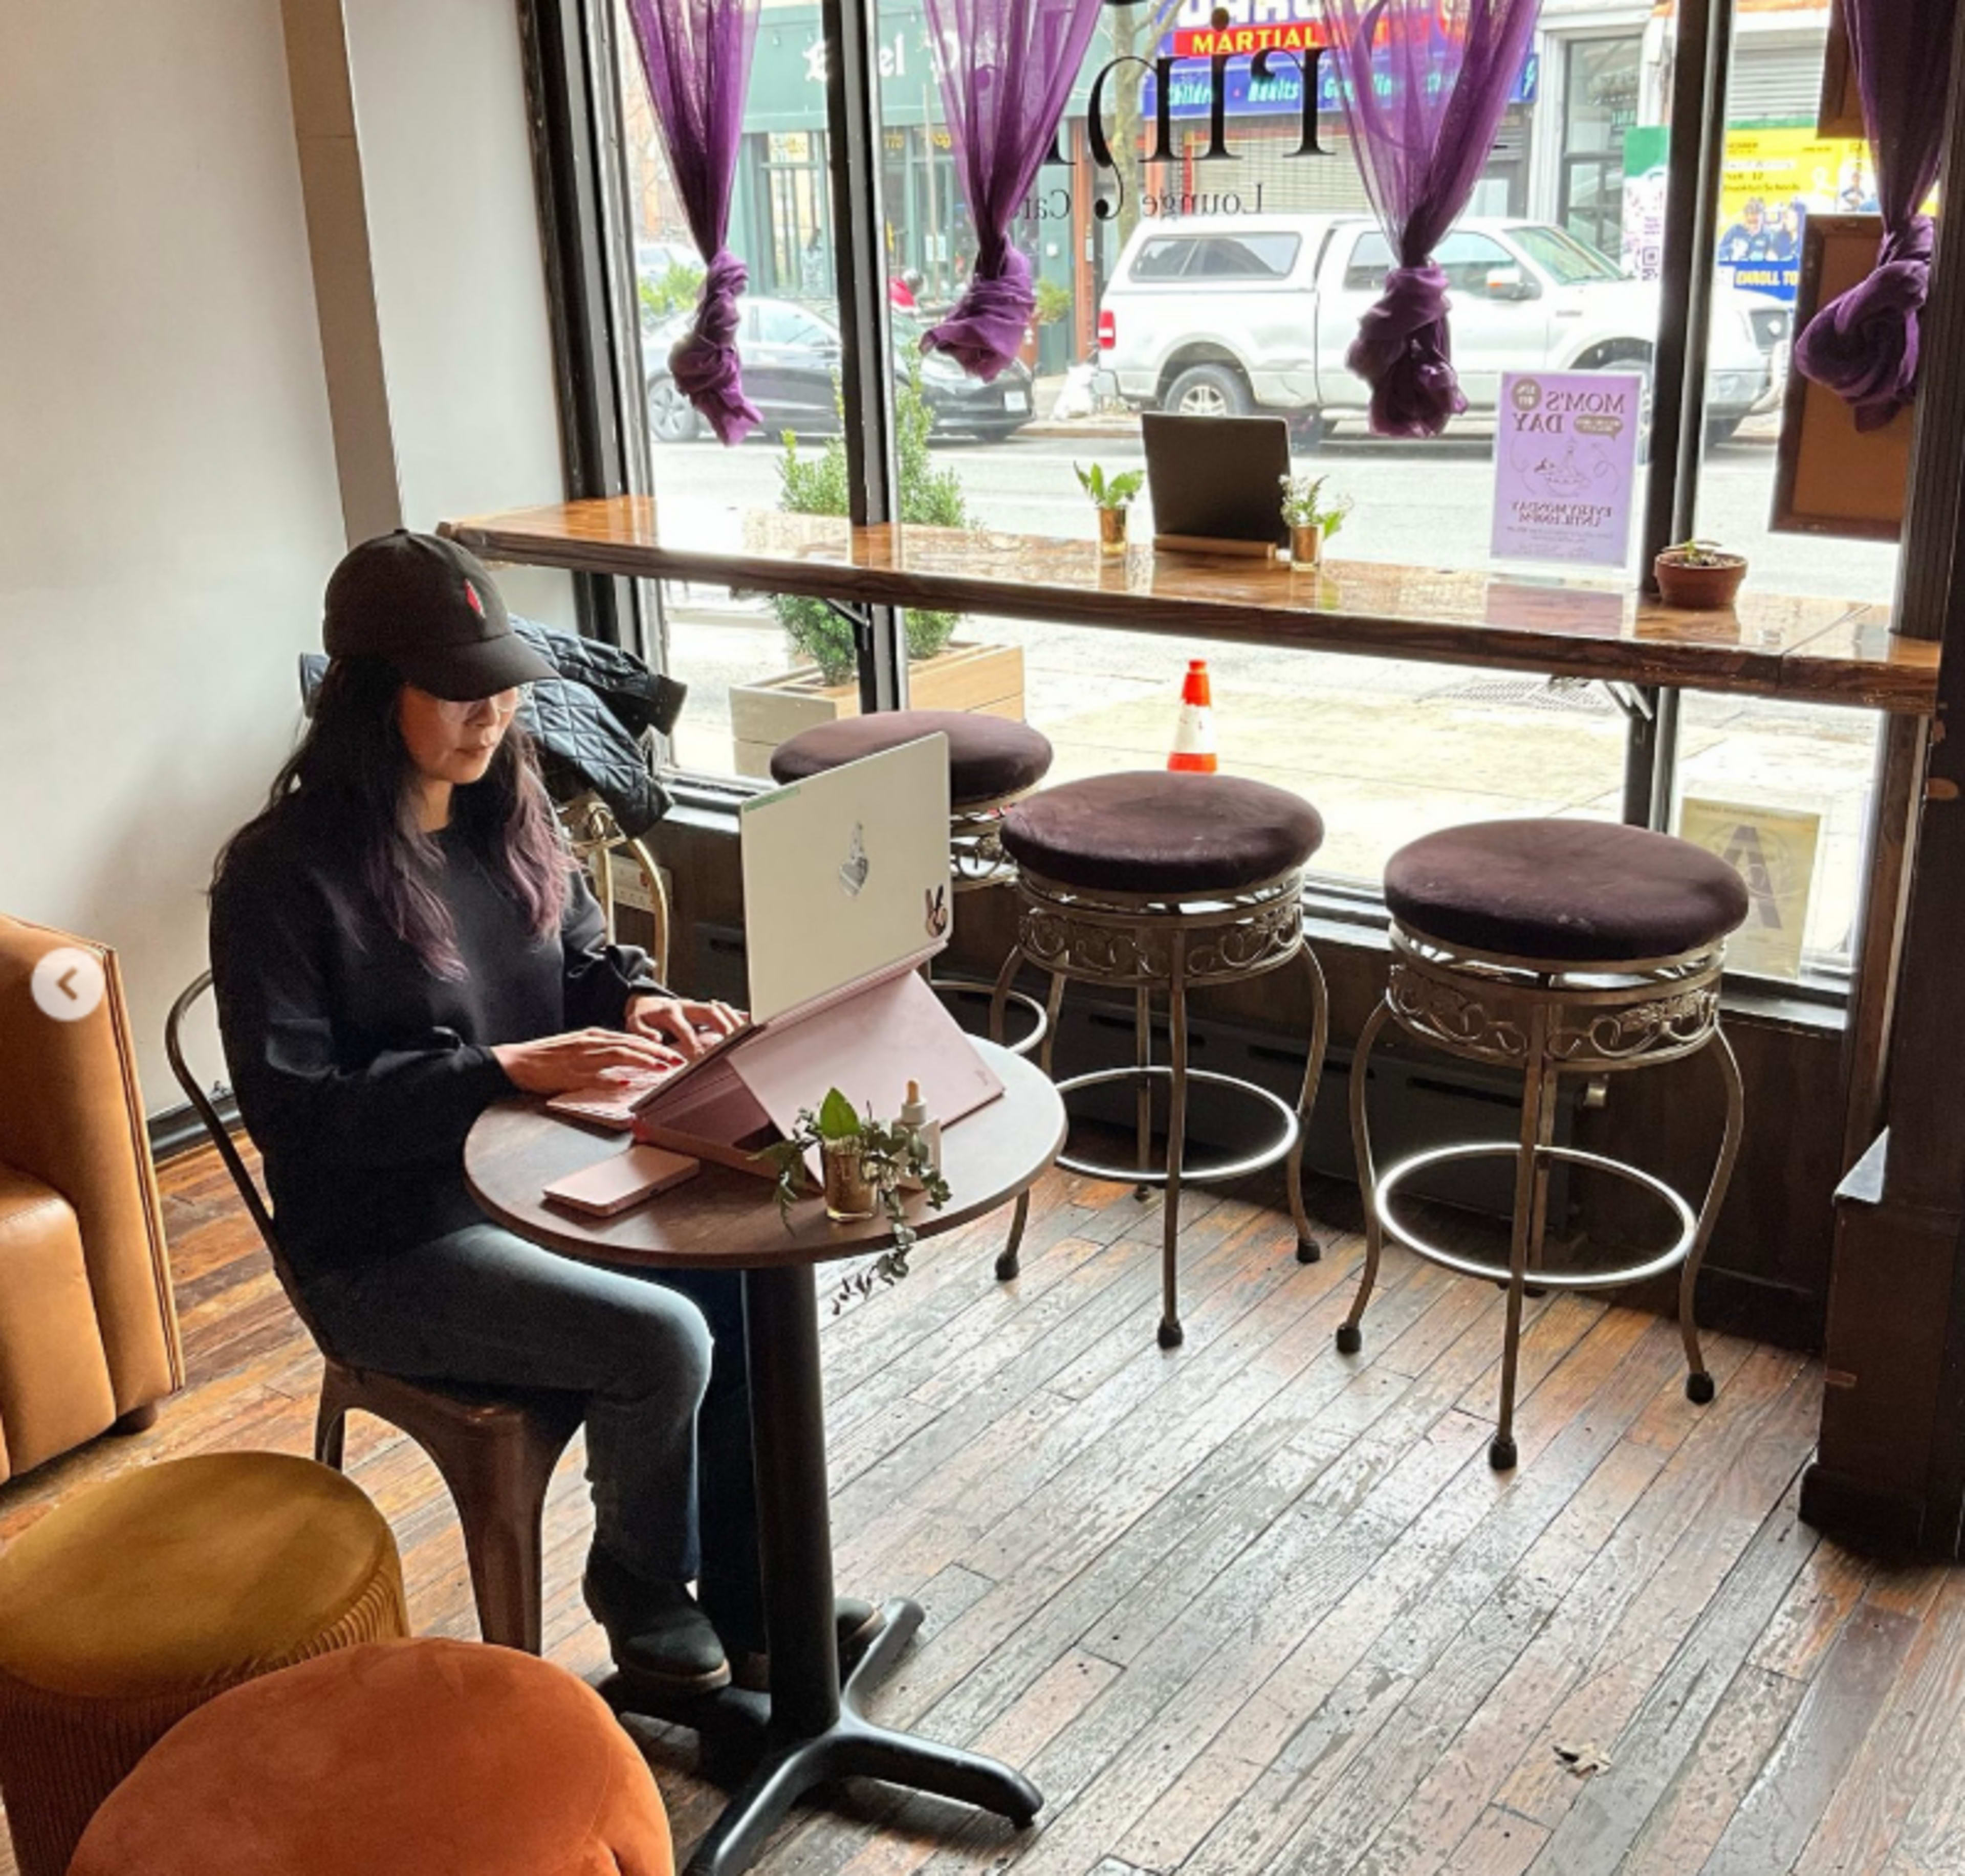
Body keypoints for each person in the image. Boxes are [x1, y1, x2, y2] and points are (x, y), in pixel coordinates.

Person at [209, 531, 881, 1697]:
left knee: (744, 1265)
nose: (495, 710)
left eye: (503, 679)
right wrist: (500, 1069)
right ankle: (640, 1581)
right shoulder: (281, 875)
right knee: (661, 1337)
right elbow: (301, 1120)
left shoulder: (501, 809)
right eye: (460, 688)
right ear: (372, 697)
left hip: (532, 1177)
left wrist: (647, 1000)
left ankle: (760, 1597)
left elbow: (581, 958)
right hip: (387, 1243)